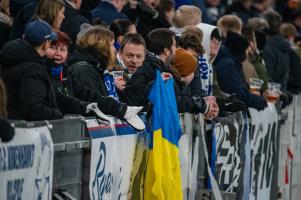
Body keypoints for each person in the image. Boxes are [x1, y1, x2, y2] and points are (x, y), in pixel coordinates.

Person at [46, 31, 146, 130]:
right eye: (112, 45)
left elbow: (93, 97)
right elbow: (86, 99)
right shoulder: (83, 70)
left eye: (63, 49)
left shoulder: (93, 69)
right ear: (103, 48)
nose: (115, 50)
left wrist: (123, 109)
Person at [120, 28, 218, 118]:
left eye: (138, 56)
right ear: (166, 51)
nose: (176, 50)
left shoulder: (159, 68)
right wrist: (201, 105)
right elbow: (170, 100)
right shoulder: (150, 68)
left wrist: (202, 103)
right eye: (174, 45)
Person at [214, 31, 267, 110]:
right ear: (241, 51)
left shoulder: (230, 62)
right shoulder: (228, 65)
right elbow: (237, 94)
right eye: (246, 50)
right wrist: (259, 100)